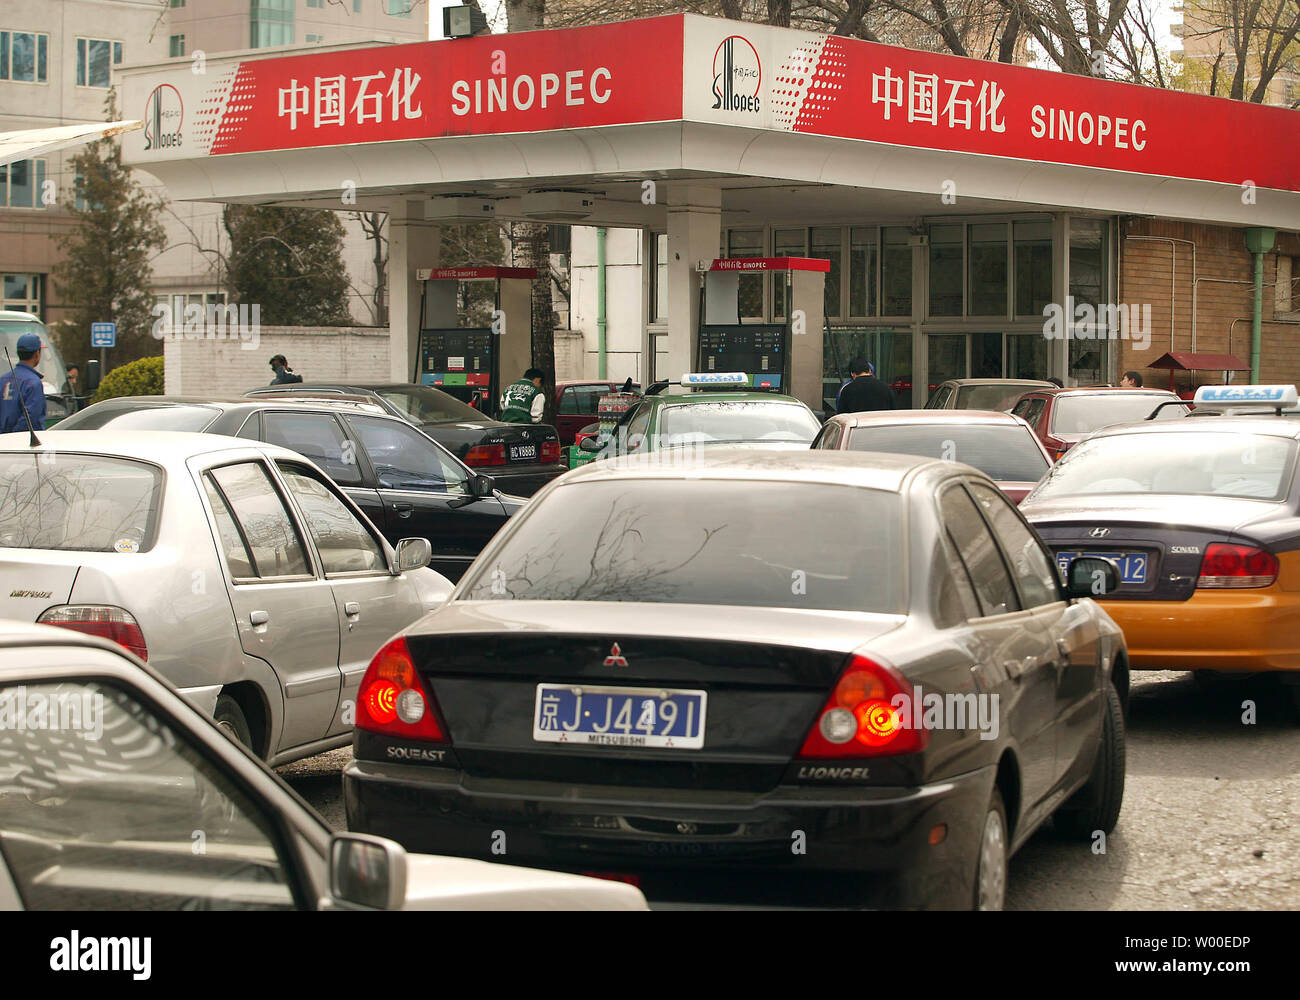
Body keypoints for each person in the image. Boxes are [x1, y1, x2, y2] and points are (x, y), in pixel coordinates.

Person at [0, 333, 47, 432]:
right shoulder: (34, 383)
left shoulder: (3, 379)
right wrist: (13, 437)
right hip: (23, 442)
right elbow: (31, 419)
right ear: (37, 354)